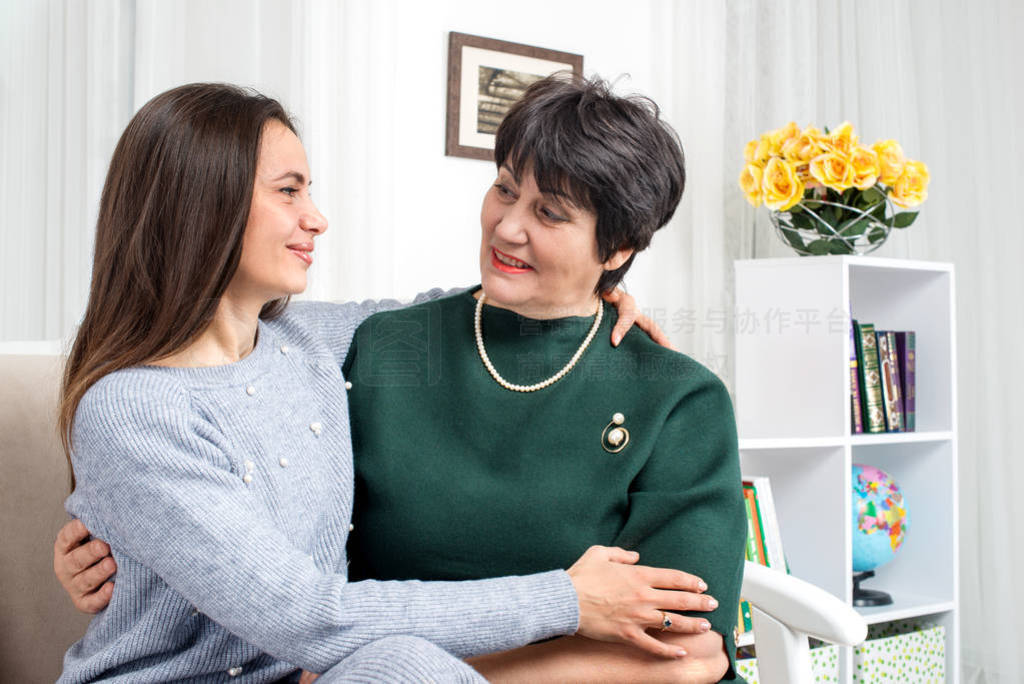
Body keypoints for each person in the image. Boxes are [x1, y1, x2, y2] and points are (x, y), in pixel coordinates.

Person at [51, 82, 721, 683]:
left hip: (335, 671)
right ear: (201, 203)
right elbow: (309, 616)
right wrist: (569, 597)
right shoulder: (135, 408)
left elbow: (477, 311)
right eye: (289, 191)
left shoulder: (315, 341)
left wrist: (597, 297)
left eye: (550, 213)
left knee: (398, 667)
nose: (317, 218)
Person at [340, 73, 747, 682]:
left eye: (549, 212)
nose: (507, 227)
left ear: (617, 249)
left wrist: (425, 672)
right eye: (504, 189)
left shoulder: (677, 397)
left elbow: (681, 652)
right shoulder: (390, 347)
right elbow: (320, 598)